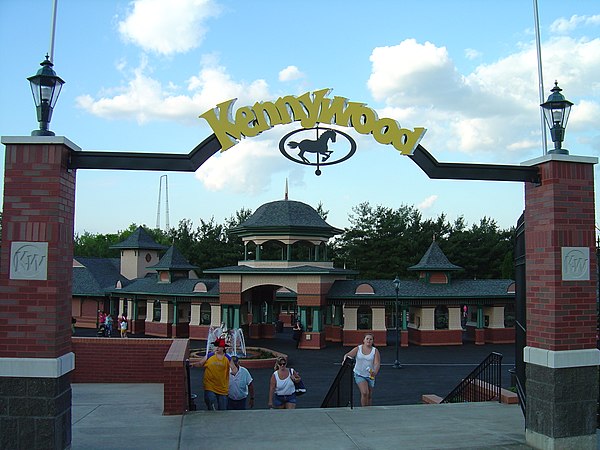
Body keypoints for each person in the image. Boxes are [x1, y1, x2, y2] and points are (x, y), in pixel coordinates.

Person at [343, 333, 381, 407]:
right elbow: (348, 355)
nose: (369, 340)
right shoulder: (358, 348)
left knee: (369, 395)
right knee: (364, 392)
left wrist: (375, 372)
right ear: (363, 340)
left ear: (373, 341)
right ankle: (364, 410)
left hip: (370, 375)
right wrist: (345, 359)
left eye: (370, 339)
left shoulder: (375, 351)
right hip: (359, 374)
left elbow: (377, 363)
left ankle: (369, 410)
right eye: (367, 339)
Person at [194, 338, 231, 410]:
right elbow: (200, 363)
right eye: (216, 346)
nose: (217, 348)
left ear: (223, 348)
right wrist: (192, 364)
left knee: (223, 409)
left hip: (222, 387)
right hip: (210, 385)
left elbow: (234, 369)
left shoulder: (227, 358)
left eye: (219, 346)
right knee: (210, 401)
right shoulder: (209, 356)